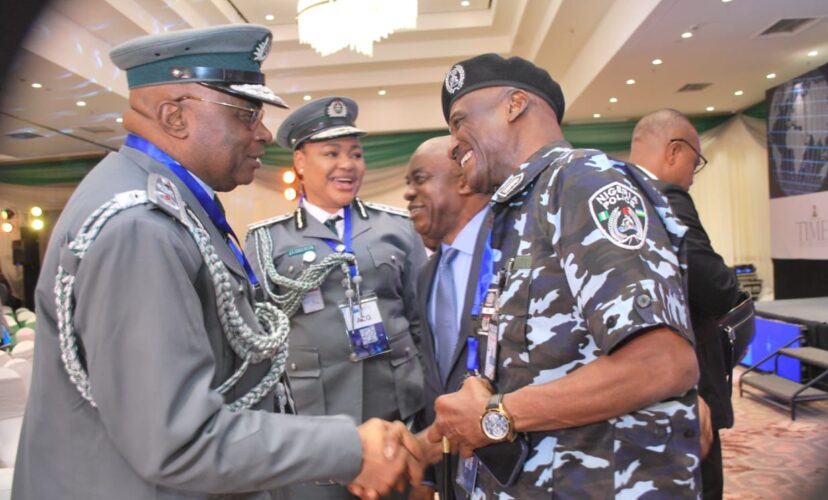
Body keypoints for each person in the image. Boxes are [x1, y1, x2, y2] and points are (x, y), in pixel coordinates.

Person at [13, 25, 419, 500]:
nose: (263, 134)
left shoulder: (168, 204)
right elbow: (178, 438)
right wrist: (349, 449)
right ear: (174, 116)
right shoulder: (140, 227)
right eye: (246, 115)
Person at [425, 53, 701, 498]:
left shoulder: (584, 181)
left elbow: (662, 363)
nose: (453, 145)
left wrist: (497, 414)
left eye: (460, 122)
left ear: (515, 105)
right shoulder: (518, 210)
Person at [246, 96, 427, 499]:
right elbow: (259, 343)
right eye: (332, 153)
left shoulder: (397, 228)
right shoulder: (267, 240)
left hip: (395, 419)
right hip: (313, 425)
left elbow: (420, 326)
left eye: (356, 154)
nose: (348, 165)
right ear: (299, 161)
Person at [629, 108, 742, 500]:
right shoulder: (666, 197)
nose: (694, 175)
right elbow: (715, 287)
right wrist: (732, 279)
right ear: (674, 150)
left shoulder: (609, 196)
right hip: (686, 389)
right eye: (696, 163)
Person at [403, 136, 491, 499]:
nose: (408, 193)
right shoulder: (426, 275)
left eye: (420, 179)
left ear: (464, 180)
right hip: (454, 476)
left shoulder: (509, 252)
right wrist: (427, 475)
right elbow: (433, 381)